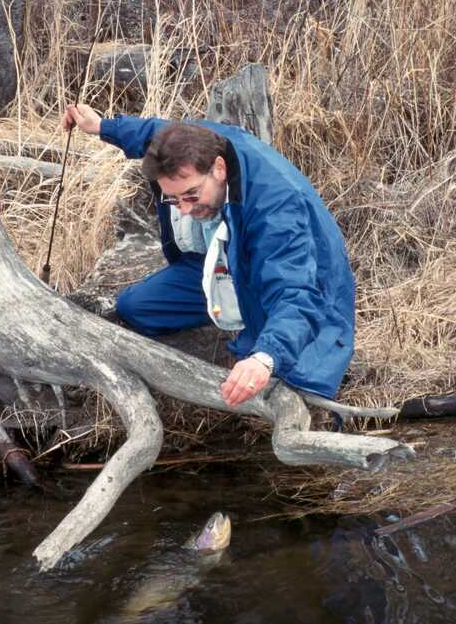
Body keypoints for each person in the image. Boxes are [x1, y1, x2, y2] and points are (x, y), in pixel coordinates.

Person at [63, 104, 355, 408]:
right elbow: (153, 133)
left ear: (218, 169)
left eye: (191, 194)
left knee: (293, 377)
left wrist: (265, 358)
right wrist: (102, 127)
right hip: (229, 263)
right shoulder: (196, 144)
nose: (186, 209)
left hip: (309, 284)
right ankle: (239, 319)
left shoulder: (276, 209)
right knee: (136, 306)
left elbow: (295, 292)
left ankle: (262, 339)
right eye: (173, 199)